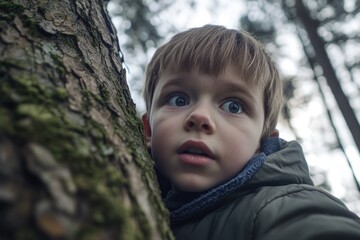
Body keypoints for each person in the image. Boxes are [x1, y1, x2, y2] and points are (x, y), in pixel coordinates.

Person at [141, 24, 360, 240]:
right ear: (148, 131)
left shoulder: (282, 206)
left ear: (261, 143)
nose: (200, 117)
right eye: (179, 99)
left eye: (233, 106)